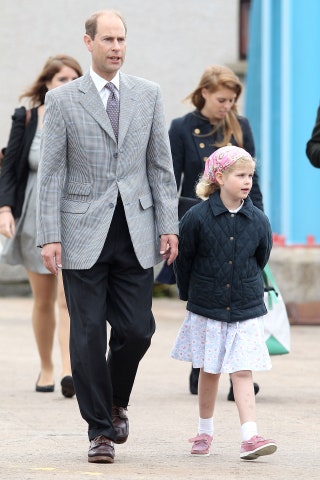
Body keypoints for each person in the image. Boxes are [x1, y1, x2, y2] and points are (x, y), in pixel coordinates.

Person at [36, 10, 179, 464]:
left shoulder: (148, 94)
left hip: (136, 230)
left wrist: (169, 223)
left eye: (122, 39)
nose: (116, 47)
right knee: (87, 333)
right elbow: (52, 173)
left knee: (137, 331)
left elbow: (160, 165)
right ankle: (99, 429)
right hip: (81, 231)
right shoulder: (62, 101)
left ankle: (117, 401)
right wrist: (49, 235)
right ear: (89, 42)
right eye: (108, 39)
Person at [157, 64, 262, 398]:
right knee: (205, 297)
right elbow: (169, 181)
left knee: (237, 297)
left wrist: (259, 220)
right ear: (204, 93)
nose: (226, 106)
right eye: (221, 99)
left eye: (232, 100)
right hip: (198, 220)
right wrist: (167, 227)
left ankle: (237, 376)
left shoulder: (241, 126)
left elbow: (252, 179)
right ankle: (201, 365)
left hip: (240, 220)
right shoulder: (181, 128)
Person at [171, 145, 277, 460]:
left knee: (242, 371)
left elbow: (261, 258)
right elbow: (184, 260)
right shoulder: (196, 217)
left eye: (250, 175)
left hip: (245, 308)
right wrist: (191, 295)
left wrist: (246, 287)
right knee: (210, 371)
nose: (247, 181)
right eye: (240, 175)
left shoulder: (258, 219)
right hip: (208, 307)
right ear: (219, 177)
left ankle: (250, 436)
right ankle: (204, 432)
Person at [0, 54, 83, 398]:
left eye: (74, 79)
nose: (68, 85)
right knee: (43, 299)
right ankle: (46, 366)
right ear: (48, 83)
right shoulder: (28, 117)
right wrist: (5, 208)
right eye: (62, 79)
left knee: (68, 299)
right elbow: (11, 167)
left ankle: (68, 369)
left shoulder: (85, 117)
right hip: (34, 212)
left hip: (74, 214)